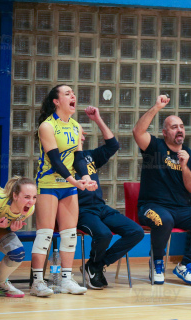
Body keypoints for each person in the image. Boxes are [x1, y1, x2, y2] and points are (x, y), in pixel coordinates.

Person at [133, 95, 191, 286]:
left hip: (181, 209)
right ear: (165, 132)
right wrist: (156, 107)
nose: (179, 129)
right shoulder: (154, 147)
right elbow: (138, 132)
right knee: (164, 219)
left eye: (181, 126)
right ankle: (157, 262)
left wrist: (184, 165)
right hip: (151, 207)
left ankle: (186, 265)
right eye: (174, 127)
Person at [31, 84, 98, 297]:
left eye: (73, 93)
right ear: (56, 101)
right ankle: (37, 282)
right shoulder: (47, 126)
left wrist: (85, 178)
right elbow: (55, 160)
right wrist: (74, 181)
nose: (73, 96)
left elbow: (78, 158)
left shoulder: (76, 126)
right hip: (48, 184)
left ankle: (66, 280)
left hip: (69, 186)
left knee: (70, 234)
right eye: (67, 93)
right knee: (45, 234)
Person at [76, 106, 144, 289]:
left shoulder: (89, 156)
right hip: (80, 211)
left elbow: (113, 145)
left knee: (136, 232)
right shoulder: (60, 160)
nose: (82, 138)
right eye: (78, 134)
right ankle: (95, 266)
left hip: (100, 207)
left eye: (82, 135)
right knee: (104, 234)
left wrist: (97, 119)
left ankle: (96, 264)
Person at [0, 177, 37, 298]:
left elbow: (3, 229)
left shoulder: (29, 210)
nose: (31, 202)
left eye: (34, 197)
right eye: (27, 197)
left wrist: (11, 229)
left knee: (17, 253)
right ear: (15, 196)